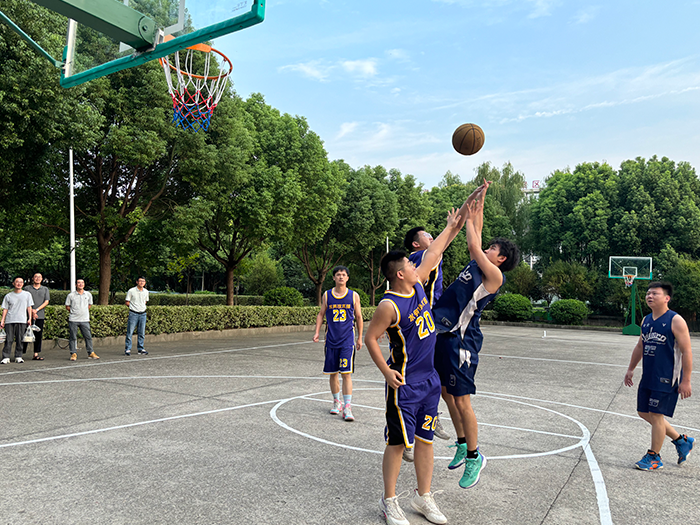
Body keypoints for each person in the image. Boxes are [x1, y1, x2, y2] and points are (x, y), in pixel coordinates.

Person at [365, 207, 463, 525]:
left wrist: (453, 224)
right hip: (404, 384)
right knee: (396, 443)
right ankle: (389, 501)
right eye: (409, 263)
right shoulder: (389, 305)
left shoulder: (418, 284)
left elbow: (435, 250)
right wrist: (385, 371)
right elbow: (370, 338)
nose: (414, 264)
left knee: (426, 440)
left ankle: (424, 496)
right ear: (399, 274)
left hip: (429, 380)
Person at [433, 184, 520, 489]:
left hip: (462, 340)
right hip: (444, 332)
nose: (487, 249)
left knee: (462, 399)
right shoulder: (478, 263)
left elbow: (473, 243)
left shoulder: (494, 276)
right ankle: (461, 442)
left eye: (493, 249)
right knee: (445, 392)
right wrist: (478, 199)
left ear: (501, 259)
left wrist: (469, 218)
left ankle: (474, 455)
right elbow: (478, 230)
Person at [624, 281, 694, 470]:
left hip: (666, 377)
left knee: (656, 415)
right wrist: (631, 369)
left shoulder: (675, 320)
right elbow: (640, 346)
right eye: (648, 293)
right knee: (643, 412)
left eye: (655, 293)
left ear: (666, 298)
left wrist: (686, 380)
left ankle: (654, 457)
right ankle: (681, 441)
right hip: (649, 375)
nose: (650, 296)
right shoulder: (646, 320)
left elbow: (687, 351)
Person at [313, 266, 363, 421]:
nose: (341, 277)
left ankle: (347, 407)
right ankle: (337, 402)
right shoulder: (327, 295)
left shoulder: (353, 296)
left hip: (347, 341)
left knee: (346, 373)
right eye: (338, 274)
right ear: (334, 277)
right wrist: (317, 332)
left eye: (343, 274)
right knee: (333, 373)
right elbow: (321, 314)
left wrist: (360, 337)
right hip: (331, 340)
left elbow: (359, 317)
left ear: (347, 278)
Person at [1, 277, 33, 364]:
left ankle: (18, 356)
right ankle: (6, 357)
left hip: (22, 320)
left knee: (20, 339)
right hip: (10, 320)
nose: (19, 283)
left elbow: (29, 307)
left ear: (23, 284)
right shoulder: (8, 296)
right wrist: (2, 321)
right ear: (13, 283)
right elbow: (5, 309)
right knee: (9, 339)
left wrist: (30, 318)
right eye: (17, 282)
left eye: (21, 282)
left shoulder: (27, 295)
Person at [65, 279, 99, 361]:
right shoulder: (71, 295)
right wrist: (74, 312)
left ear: (84, 284)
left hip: (85, 319)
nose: (81, 284)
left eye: (82, 283)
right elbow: (67, 306)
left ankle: (91, 352)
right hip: (73, 319)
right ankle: (73, 353)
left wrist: (83, 312)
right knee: (73, 337)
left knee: (88, 336)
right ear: (76, 285)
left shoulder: (88, 294)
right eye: (79, 283)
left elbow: (89, 305)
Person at [23, 272, 50, 360]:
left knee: (38, 335)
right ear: (32, 278)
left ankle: (36, 354)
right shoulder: (27, 288)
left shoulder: (45, 289)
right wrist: (32, 312)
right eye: (35, 277)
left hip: (40, 315)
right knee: (24, 334)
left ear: (42, 279)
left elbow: (46, 301)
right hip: (27, 315)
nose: (37, 278)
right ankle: (20, 353)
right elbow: (24, 300)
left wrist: (36, 310)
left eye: (39, 277)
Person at [125, 276, 150, 356]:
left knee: (141, 332)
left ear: (145, 283)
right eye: (140, 281)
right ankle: (128, 349)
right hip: (133, 313)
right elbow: (127, 301)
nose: (142, 282)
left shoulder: (146, 292)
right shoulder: (131, 291)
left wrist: (141, 307)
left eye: (143, 281)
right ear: (137, 282)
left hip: (143, 313)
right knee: (130, 332)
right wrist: (133, 307)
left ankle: (140, 348)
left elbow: (145, 301)